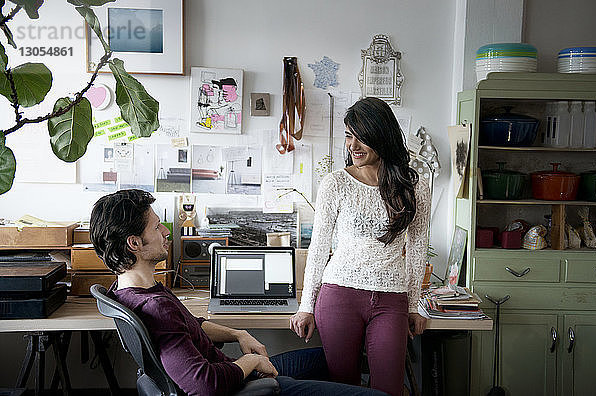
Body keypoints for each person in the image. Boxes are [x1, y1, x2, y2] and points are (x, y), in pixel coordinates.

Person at [89, 189, 388, 396]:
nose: (166, 232)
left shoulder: (128, 290)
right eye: (156, 228)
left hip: (233, 371)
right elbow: (204, 386)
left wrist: (238, 334)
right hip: (240, 385)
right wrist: (252, 362)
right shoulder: (156, 307)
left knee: (337, 356)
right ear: (134, 244)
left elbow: (190, 325)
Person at [290, 97, 431, 396]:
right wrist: (306, 307)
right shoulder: (335, 183)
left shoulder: (414, 186)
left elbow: (418, 247)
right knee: (344, 389)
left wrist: (414, 304)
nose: (352, 145)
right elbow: (319, 248)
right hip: (339, 295)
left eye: (361, 137)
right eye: (348, 136)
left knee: (389, 389)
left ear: (382, 136)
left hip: (391, 298)